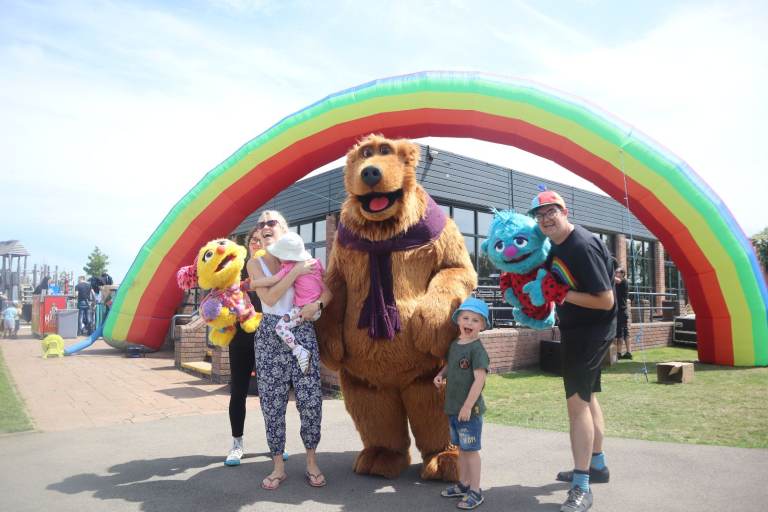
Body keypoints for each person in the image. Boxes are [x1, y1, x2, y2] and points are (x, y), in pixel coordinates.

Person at [527, 190, 616, 512]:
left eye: (551, 212)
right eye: (539, 215)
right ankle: (597, 466)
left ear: (565, 212)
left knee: (576, 406)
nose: (545, 219)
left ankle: (581, 485)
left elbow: (606, 300)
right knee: (588, 398)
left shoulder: (581, 245)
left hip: (589, 334)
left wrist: (561, 294)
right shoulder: (555, 245)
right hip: (580, 330)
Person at [249, 210, 331, 490]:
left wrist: (318, 305)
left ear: (284, 229)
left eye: (271, 222)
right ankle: (278, 467)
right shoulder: (255, 264)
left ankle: (311, 462)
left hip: (302, 331)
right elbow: (270, 298)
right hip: (270, 336)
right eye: (261, 224)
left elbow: (327, 291)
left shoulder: (304, 257)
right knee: (272, 403)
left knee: (310, 400)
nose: (265, 226)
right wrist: (295, 271)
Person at [434, 297, 490, 510]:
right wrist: (441, 375)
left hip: (469, 412)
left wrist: (467, 406)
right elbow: (451, 365)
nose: (469, 323)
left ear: (482, 325)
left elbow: (479, 380)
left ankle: (475, 490)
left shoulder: (477, 350)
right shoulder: (455, 345)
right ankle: (464, 484)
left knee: (471, 451)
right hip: (453, 409)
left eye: (475, 320)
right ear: (458, 320)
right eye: (465, 318)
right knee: (461, 450)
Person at [249, 231, 325, 375]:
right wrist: (317, 303)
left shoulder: (290, 267)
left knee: (280, 327)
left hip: (302, 309)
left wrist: (254, 284)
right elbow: (324, 282)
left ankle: (299, 350)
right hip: (315, 310)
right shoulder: (314, 263)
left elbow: (274, 280)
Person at [224, 228, 265, 466]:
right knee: (238, 391)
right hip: (240, 339)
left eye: (262, 239)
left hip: (268, 338)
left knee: (271, 394)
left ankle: (276, 443)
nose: (257, 244)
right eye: (253, 240)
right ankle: (237, 443)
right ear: (248, 245)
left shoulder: (275, 268)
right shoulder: (237, 271)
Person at [613, 267, 631, 359]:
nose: (615, 273)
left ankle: (619, 353)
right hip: (620, 311)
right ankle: (628, 353)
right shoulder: (617, 283)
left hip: (621, 311)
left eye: (617, 272)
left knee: (620, 333)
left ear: (622, 274)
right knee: (624, 332)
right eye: (615, 272)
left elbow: (616, 280)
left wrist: (607, 274)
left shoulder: (623, 281)